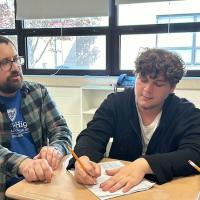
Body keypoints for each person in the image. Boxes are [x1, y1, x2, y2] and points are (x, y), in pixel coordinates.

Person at [67, 48, 200, 193]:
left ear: (172, 87)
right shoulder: (116, 103)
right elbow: (92, 135)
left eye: (158, 84)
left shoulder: (186, 113)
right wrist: (83, 159)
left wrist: (145, 164)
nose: (147, 90)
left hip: (165, 192)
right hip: (117, 192)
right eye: (143, 80)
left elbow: (193, 155)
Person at [0, 36, 72, 199]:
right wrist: (24, 164)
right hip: (5, 189)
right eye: (5, 62)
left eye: (16, 59)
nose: (15, 67)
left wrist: (56, 149)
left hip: (41, 184)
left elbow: (62, 130)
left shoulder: (37, 92)